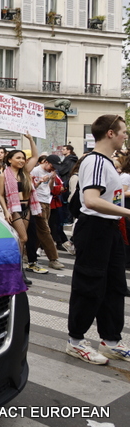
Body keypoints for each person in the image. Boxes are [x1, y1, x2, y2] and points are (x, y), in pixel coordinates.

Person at [65, 114, 130, 365]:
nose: (126, 135)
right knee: (89, 285)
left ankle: (110, 341)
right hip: (95, 229)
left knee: (114, 286)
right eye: (123, 131)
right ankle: (75, 341)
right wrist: (127, 212)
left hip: (109, 229)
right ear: (110, 133)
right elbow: (90, 200)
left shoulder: (106, 162)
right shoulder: (94, 161)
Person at [0, 134, 49, 274]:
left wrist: (31, 140)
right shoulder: (3, 176)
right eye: (18, 158)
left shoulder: (25, 172)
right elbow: (0, 195)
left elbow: (35, 157)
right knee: (23, 238)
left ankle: (16, 268)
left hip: (27, 208)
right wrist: (6, 211)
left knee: (21, 240)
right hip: (14, 209)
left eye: (23, 158)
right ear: (9, 160)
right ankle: (17, 269)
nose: (21, 160)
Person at [29, 154, 65, 270]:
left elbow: (50, 189)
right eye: (51, 166)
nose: (52, 169)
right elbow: (31, 187)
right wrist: (40, 181)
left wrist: (52, 179)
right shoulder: (36, 170)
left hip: (46, 201)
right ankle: (53, 258)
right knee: (45, 231)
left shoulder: (51, 173)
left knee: (40, 231)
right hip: (38, 201)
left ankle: (27, 253)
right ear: (46, 162)